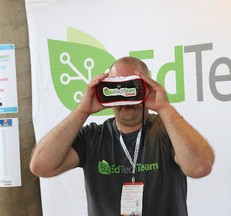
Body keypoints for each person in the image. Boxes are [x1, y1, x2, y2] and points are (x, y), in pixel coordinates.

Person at [30, 56, 215, 215]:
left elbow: (200, 167)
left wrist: (164, 108)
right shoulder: (93, 136)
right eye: (116, 87)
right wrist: (82, 110)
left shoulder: (168, 130)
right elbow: (41, 166)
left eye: (132, 86)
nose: (125, 97)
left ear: (147, 87)